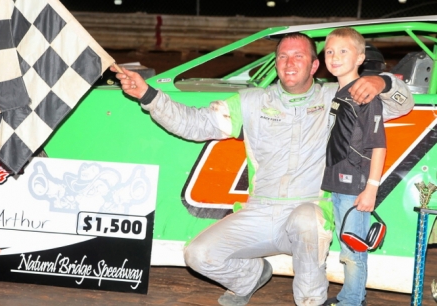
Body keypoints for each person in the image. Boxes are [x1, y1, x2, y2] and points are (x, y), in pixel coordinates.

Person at [111, 32, 413, 306]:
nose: (289, 62)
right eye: (282, 56)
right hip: (259, 211)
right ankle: (250, 276)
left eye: (299, 56)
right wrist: (148, 96)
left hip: (309, 210)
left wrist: (383, 81)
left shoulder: (338, 97)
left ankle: (312, 301)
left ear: (313, 66)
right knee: (197, 255)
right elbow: (194, 124)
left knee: (307, 221)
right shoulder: (251, 101)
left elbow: (403, 104)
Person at [321, 28, 386, 306]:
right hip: (337, 183)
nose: (335, 57)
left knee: (354, 249)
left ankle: (353, 302)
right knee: (345, 244)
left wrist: (371, 189)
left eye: (343, 51)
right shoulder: (339, 92)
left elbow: (378, 145)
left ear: (360, 58)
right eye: (329, 52)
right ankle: (350, 295)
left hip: (355, 185)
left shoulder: (364, 95)